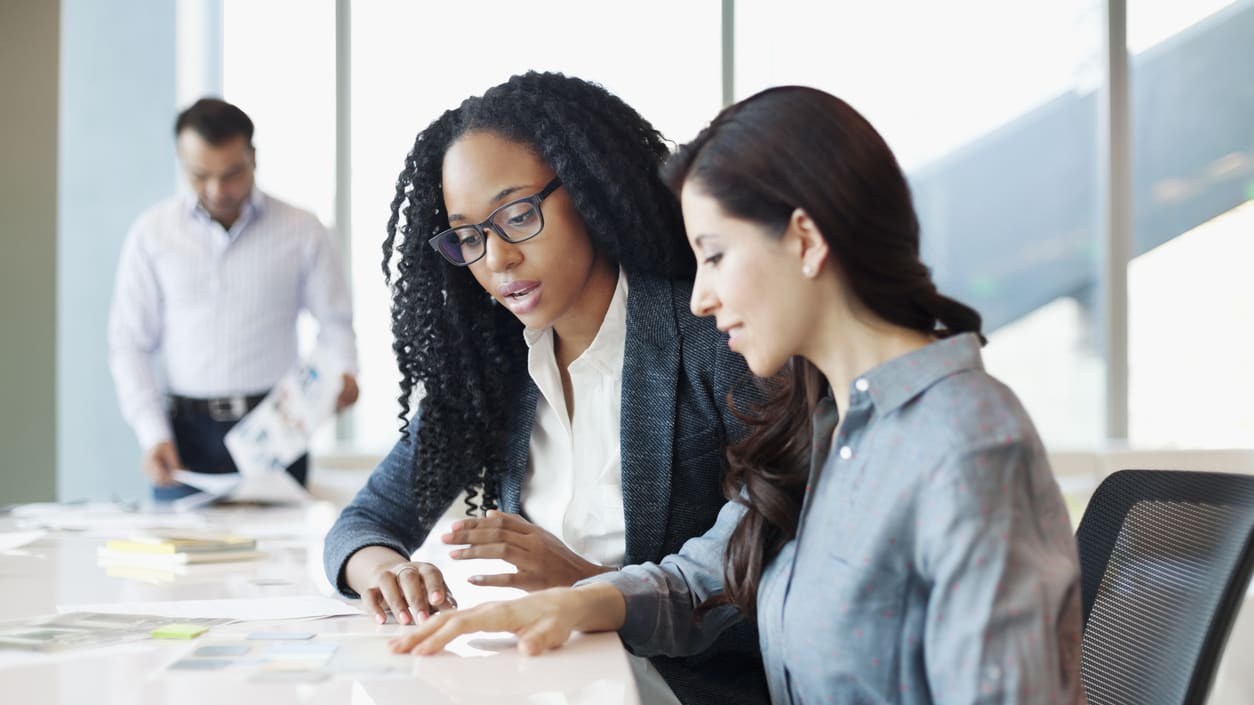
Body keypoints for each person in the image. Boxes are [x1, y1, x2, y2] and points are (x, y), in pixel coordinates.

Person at [389, 86, 1087, 705]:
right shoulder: (830, 424)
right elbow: (703, 579)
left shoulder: (963, 441)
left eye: (715, 254)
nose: (701, 295)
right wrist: (574, 602)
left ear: (805, 240)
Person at [323, 72, 769, 705]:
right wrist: (389, 572)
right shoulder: (493, 371)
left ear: (587, 190)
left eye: (518, 215)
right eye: (469, 235)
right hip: (550, 682)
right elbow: (364, 523)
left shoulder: (714, 336)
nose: (497, 258)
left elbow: (766, 552)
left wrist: (587, 586)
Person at [109, 98, 359, 501]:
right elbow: (130, 344)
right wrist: (151, 433)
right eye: (200, 175)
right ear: (181, 161)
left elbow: (334, 321)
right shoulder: (152, 234)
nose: (217, 190)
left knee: (283, 561)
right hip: (184, 437)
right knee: (182, 562)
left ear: (253, 158)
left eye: (232, 174)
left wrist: (343, 370)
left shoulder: (303, 230)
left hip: (276, 429)